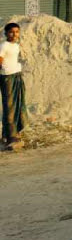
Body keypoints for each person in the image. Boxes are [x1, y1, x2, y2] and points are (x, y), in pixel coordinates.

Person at [0, 23, 26, 151]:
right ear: (6, 33)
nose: (14, 34)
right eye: (11, 32)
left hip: (16, 76)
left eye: (17, 31)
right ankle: (10, 137)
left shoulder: (16, 46)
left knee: (17, 106)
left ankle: (11, 135)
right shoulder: (3, 45)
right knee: (9, 107)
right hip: (7, 78)